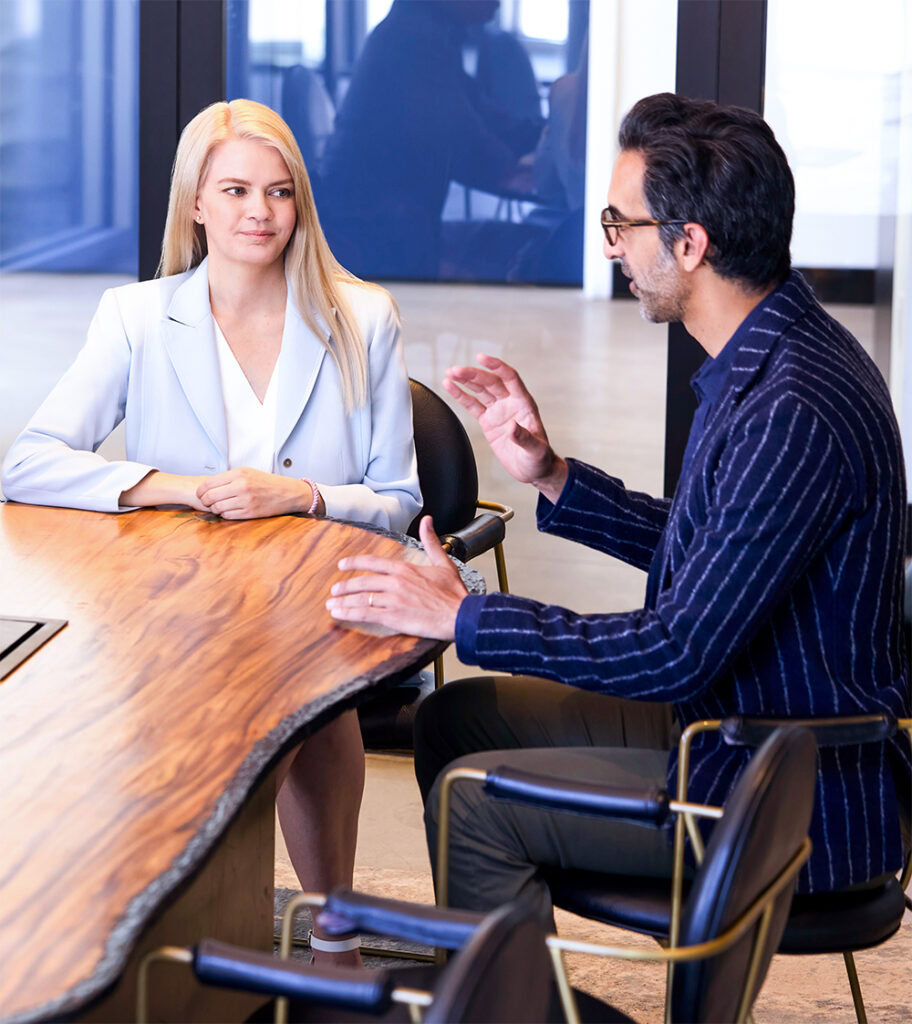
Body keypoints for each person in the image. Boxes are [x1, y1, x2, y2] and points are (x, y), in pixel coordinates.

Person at [325, 92, 911, 923]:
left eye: (620, 223)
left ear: (691, 243)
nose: (611, 250)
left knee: (472, 802)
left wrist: (468, 618)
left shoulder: (792, 409)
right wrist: (553, 473)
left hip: (775, 792)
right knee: (455, 721)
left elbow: (675, 650)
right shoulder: (774, 348)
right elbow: (713, 548)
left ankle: (501, 999)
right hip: (733, 727)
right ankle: (502, 972)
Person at [1, 98, 421, 961]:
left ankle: (330, 921)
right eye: (234, 191)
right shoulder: (138, 316)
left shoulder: (362, 317)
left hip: (314, 588)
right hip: (180, 593)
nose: (258, 213)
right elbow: (27, 463)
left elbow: (398, 500)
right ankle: (193, 927)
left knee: (303, 695)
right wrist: (180, 489)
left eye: (277, 192)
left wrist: (299, 495)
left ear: (299, 201)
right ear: (195, 201)